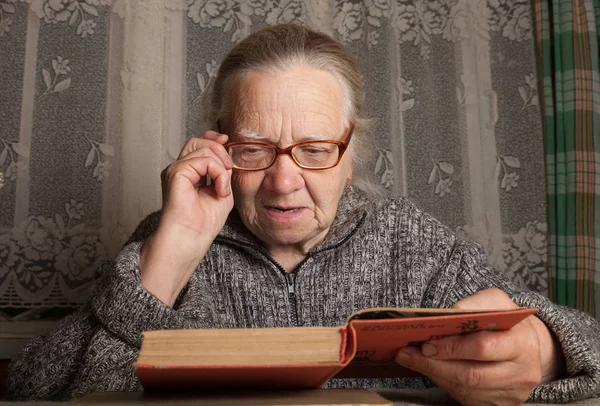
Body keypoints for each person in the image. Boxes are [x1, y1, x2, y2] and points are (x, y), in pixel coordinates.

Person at [6, 23, 600, 405]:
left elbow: (589, 347)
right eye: (254, 149)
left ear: (351, 155)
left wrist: (544, 352)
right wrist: (172, 253)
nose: (284, 181)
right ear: (220, 147)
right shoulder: (169, 240)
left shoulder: (412, 241)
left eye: (315, 151)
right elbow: (36, 389)